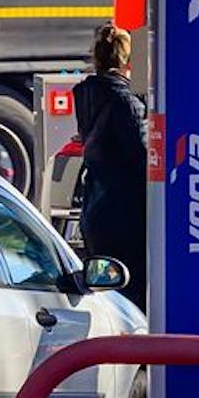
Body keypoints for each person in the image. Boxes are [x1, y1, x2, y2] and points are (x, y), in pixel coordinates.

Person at [73, 24, 148, 311]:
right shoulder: (125, 101)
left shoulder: (87, 95)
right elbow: (142, 158)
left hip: (96, 209)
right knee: (134, 299)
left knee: (110, 296)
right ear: (129, 62)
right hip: (127, 216)